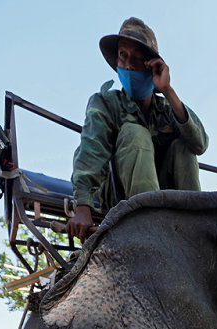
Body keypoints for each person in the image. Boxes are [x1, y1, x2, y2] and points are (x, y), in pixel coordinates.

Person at [66, 17, 208, 242]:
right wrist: (82, 208)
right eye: (123, 56)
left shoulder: (166, 108)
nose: (130, 65)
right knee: (135, 133)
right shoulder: (106, 103)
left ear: (152, 65)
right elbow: (91, 152)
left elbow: (200, 144)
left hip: (168, 197)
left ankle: (196, 229)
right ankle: (150, 227)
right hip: (121, 199)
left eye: (138, 58)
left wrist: (167, 90)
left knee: (184, 147)